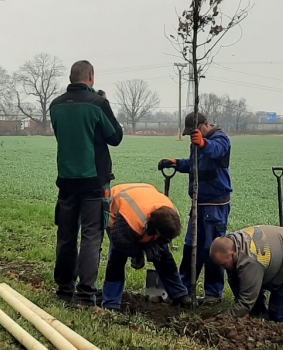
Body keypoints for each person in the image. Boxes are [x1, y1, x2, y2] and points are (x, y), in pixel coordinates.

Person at [49, 60, 123, 305]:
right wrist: (104, 102)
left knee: (66, 235)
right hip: (94, 181)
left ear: (71, 78)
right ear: (91, 76)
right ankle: (86, 291)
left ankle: (63, 288)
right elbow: (116, 137)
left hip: (66, 181)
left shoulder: (55, 106)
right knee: (92, 235)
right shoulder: (98, 104)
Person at [158, 111, 232, 303]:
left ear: (205, 123)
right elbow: (195, 165)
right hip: (198, 203)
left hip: (215, 203)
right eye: (191, 133)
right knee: (191, 246)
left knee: (212, 248)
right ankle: (182, 289)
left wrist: (203, 143)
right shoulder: (196, 142)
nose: (193, 135)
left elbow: (216, 150)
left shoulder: (220, 138)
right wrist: (177, 163)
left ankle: (214, 293)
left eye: (195, 131)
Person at [100, 183, 192, 310]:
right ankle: (111, 303)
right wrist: (137, 254)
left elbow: (165, 239)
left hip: (145, 196)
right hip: (119, 209)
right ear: (155, 230)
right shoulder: (132, 220)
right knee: (116, 259)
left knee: (164, 258)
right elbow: (120, 240)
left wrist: (155, 247)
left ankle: (180, 294)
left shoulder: (172, 216)